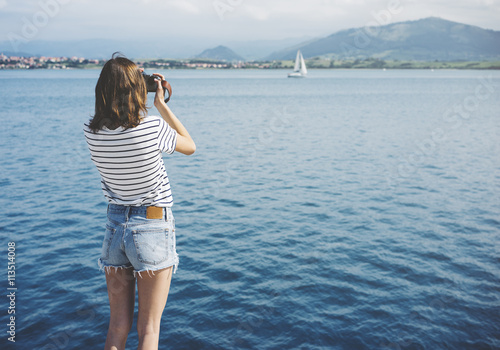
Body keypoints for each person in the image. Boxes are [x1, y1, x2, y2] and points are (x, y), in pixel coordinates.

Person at [83, 52, 196, 350]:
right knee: (149, 329)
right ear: (136, 90)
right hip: (152, 226)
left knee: (117, 325)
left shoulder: (91, 131)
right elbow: (190, 145)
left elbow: (115, 117)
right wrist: (160, 106)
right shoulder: (152, 127)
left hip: (115, 226)